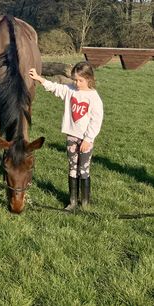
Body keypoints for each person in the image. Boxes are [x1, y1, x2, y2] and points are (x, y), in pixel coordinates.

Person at [29, 61, 103, 211]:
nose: (77, 83)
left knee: (83, 169)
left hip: (85, 141)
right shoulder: (70, 90)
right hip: (71, 137)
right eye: (75, 79)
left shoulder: (94, 98)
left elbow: (96, 120)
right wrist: (39, 78)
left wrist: (88, 139)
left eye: (80, 80)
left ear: (89, 79)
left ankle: (85, 203)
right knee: (72, 168)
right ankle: (72, 202)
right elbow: (55, 88)